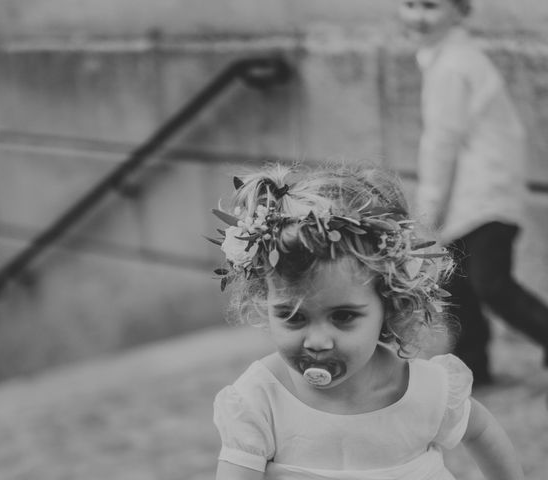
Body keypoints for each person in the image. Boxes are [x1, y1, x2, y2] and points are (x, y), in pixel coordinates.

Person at [209, 162, 524, 480]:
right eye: (293, 317)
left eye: (343, 316)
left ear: (387, 305)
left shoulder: (423, 390)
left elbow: (481, 432)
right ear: (266, 303)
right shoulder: (260, 398)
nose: (317, 341)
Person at [398, 0, 548, 385]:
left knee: (491, 284)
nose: (417, 15)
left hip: (484, 196)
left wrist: (428, 208)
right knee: (457, 283)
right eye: (409, 4)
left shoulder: (453, 66)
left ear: (460, 12)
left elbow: (441, 143)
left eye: (430, 6)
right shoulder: (447, 59)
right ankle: (471, 367)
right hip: (474, 196)